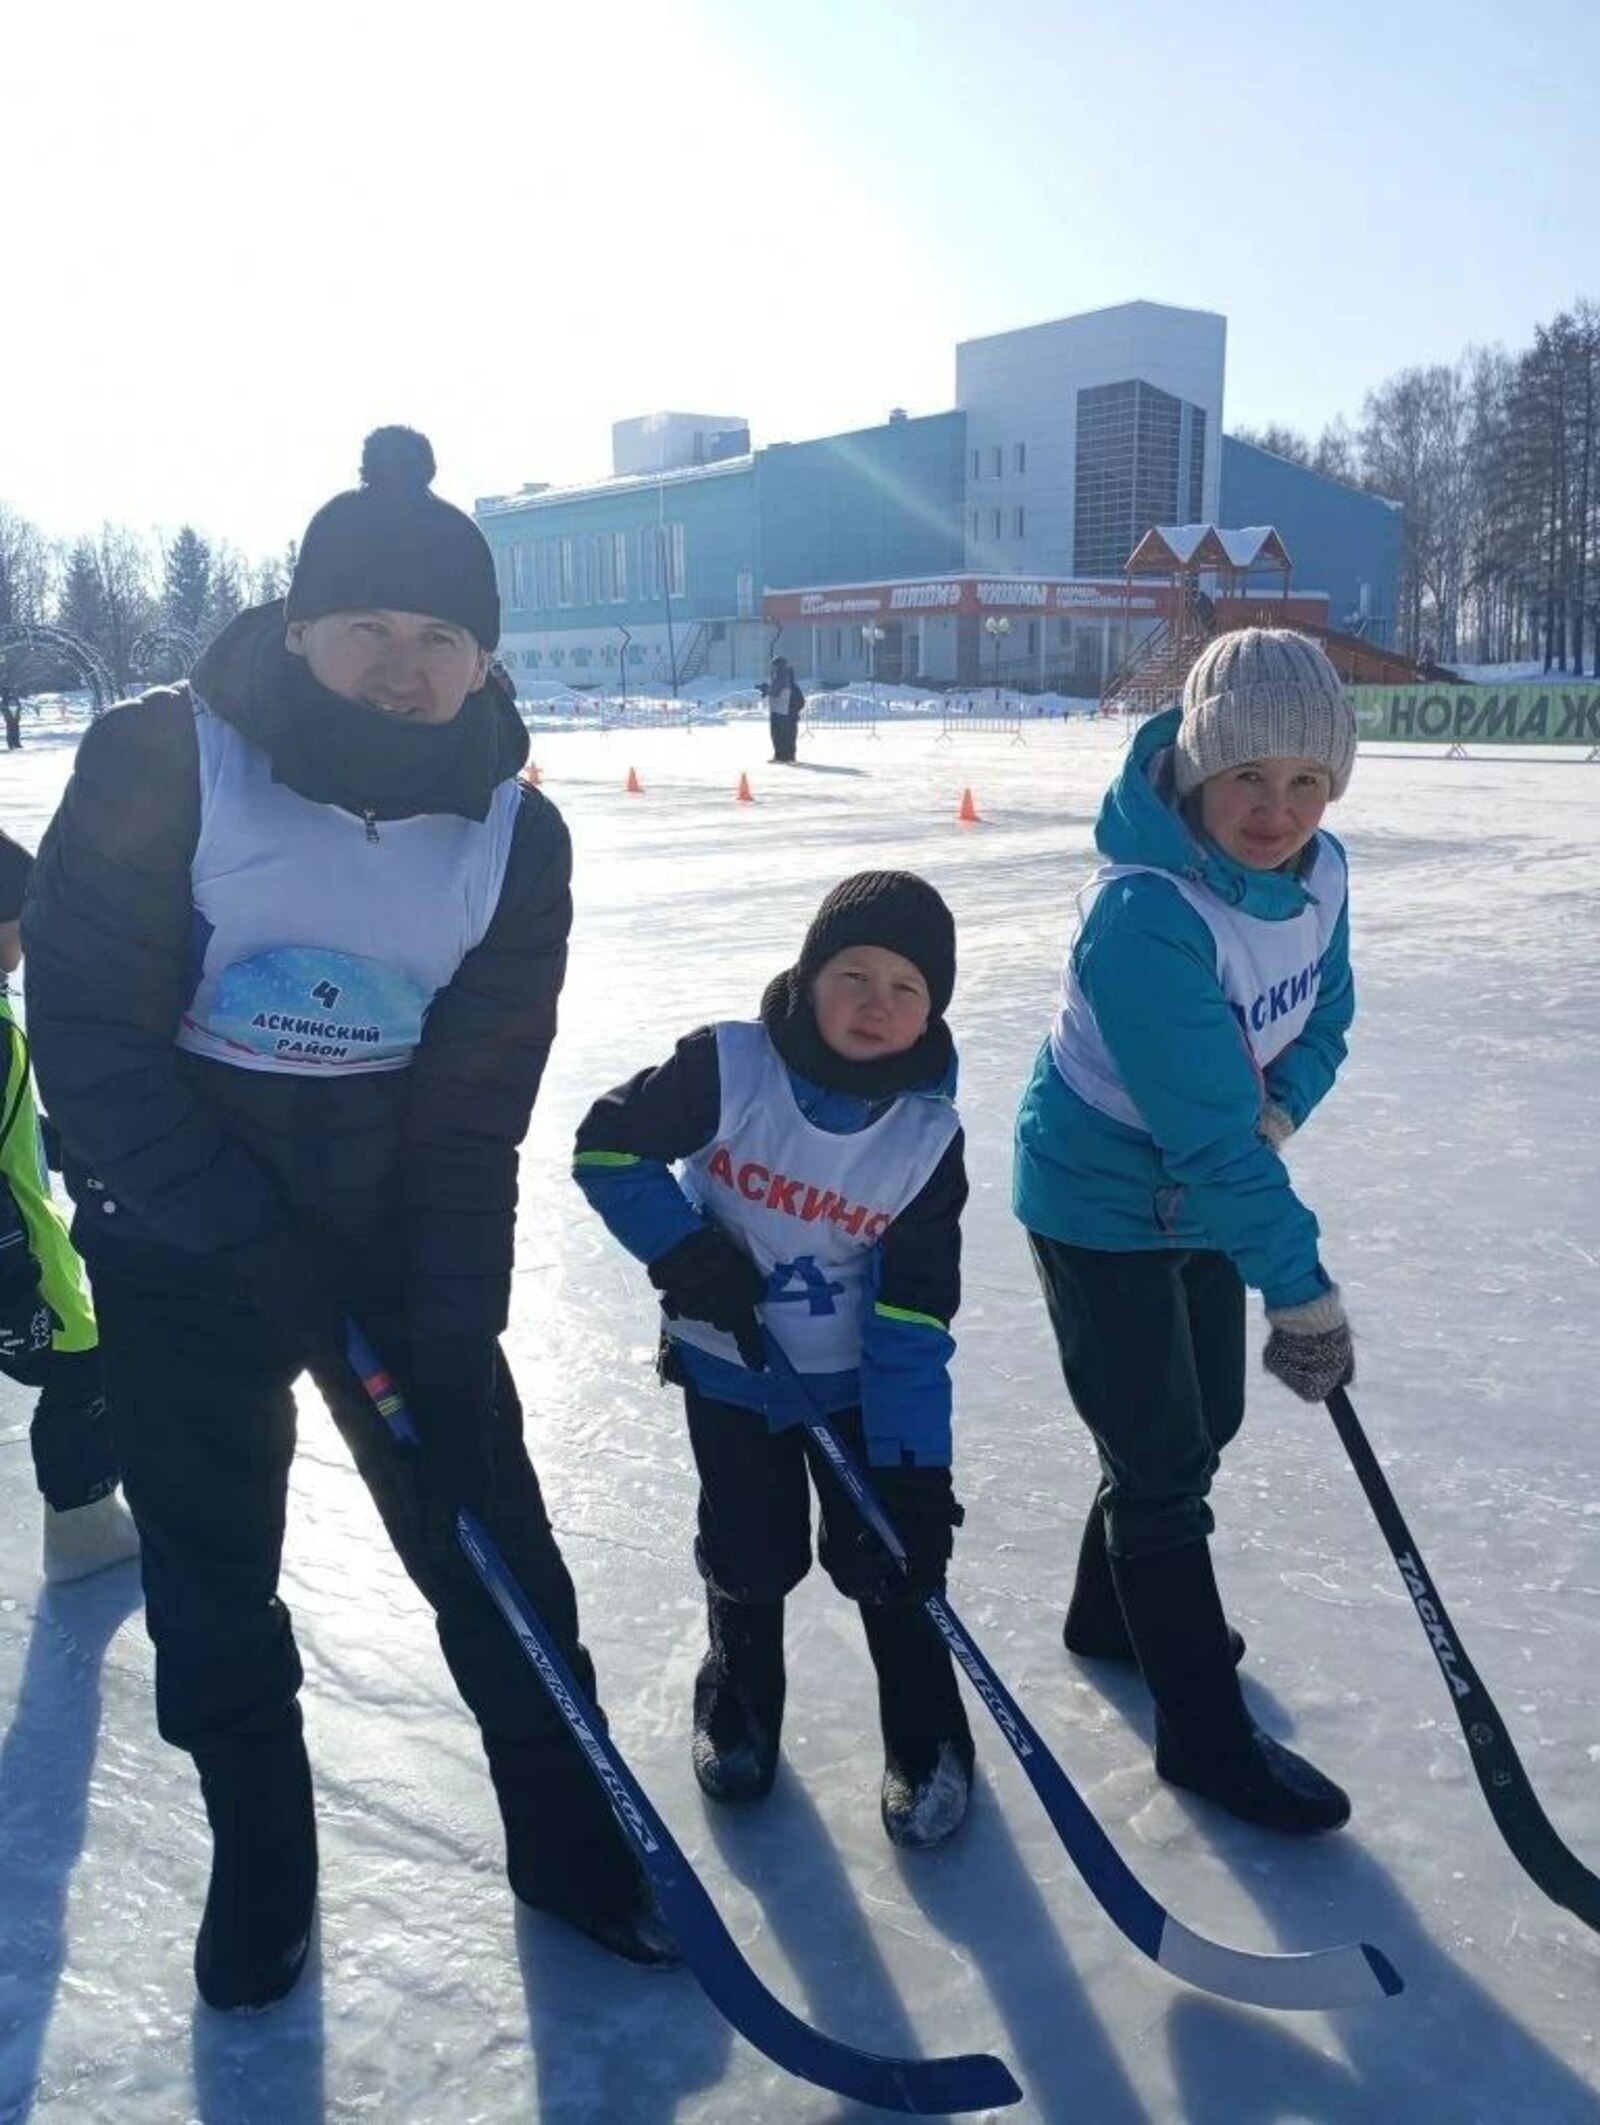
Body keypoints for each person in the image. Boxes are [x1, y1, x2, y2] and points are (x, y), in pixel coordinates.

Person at [22, 427, 675, 2015]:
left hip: (388, 1230)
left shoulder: (521, 835)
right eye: (371, 629)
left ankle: (568, 1832)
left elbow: (475, 1099)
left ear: (483, 658)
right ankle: (264, 1848)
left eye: (442, 638)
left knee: (493, 1543)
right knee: (210, 1562)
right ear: (299, 625)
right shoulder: (165, 757)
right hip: (180, 1240)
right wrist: (242, 1239)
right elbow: (94, 1042)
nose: (406, 667)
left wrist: (447, 1312)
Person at [1014, 627, 1359, 1836]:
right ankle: (1204, 1743)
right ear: (1198, 772)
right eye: (1248, 778)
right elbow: (1202, 1145)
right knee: (1161, 1460)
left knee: (1197, 1420)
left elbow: (1324, 1018)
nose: (1276, 810)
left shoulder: (1321, 875)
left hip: (1207, 1183)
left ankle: (1107, 1613)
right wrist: (1302, 1291)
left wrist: (1279, 1108)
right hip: (1098, 1200)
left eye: (1305, 781)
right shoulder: (1143, 918)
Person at [574, 871, 974, 1848]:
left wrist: (916, 1469)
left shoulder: (924, 1141)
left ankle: (927, 1727)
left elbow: (916, 1320)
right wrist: (683, 1252)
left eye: (905, 988)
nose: (876, 1003)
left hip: (856, 1394)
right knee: (750, 1546)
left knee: (884, 1556)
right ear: (806, 978)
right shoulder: (731, 1068)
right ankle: (739, 1691)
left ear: (932, 1013)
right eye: (853, 975)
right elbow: (608, 1147)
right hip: (729, 1371)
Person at [0, 828, 140, 1583]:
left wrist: (77, 1146)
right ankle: (83, 1527)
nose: (33, 928)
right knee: (82, 1364)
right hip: (20, 1253)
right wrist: (14, 1282)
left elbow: (10, 1122)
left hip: (25, 1239)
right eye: (21, 911)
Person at [761, 654, 804, 764]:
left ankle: (788, 757)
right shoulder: (777, 679)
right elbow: (774, 691)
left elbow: (799, 701)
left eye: (775, 666)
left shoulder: (784, 679)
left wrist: (793, 711)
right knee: (778, 735)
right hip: (777, 712)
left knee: (786, 735)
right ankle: (780, 756)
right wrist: (767, 690)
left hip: (785, 714)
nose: (773, 669)